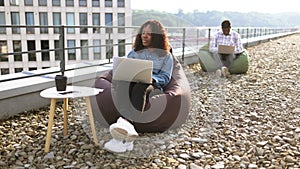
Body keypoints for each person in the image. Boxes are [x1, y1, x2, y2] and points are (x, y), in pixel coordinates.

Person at [104, 20, 174, 153]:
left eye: (148, 34)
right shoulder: (135, 53)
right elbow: (125, 67)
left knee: (140, 86)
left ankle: (123, 125)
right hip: (132, 82)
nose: (144, 36)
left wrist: (151, 78)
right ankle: (127, 135)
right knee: (124, 84)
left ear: (157, 36)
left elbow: (165, 77)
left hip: (152, 86)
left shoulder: (166, 56)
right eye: (143, 33)